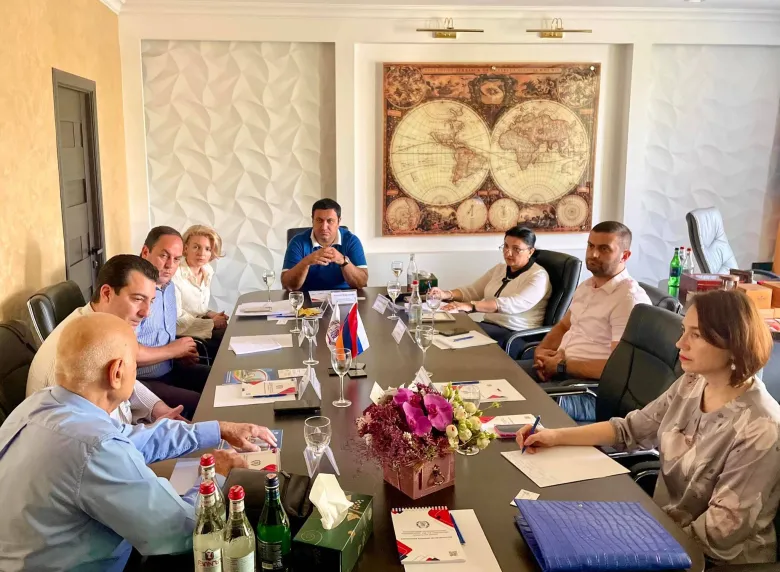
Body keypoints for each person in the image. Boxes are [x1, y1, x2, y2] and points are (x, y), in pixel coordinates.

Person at [517, 289, 780, 566]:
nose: (680, 343)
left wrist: (624, 541)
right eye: (684, 331)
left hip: (711, 560)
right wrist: (554, 436)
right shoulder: (693, 382)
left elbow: (719, 533)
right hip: (664, 533)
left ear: (734, 344)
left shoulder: (761, 428)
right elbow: (629, 430)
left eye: (696, 335)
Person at [0, 313, 277, 571]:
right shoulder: (94, 446)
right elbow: (183, 531)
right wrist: (216, 475)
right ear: (117, 372)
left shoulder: (40, 405)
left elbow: (135, 438)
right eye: (135, 362)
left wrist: (217, 429)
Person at [26, 254, 194, 422]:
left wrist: (157, 409)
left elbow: (124, 378)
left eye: (151, 301)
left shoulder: (105, 328)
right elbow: (94, 432)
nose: (146, 313)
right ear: (106, 293)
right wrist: (156, 432)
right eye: (138, 299)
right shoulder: (79, 354)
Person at [517, 221, 651, 422]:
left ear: (625, 256)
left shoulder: (628, 299)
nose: (593, 254)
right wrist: (541, 352)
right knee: (502, 378)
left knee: (519, 402)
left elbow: (618, 369)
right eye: (591, 246)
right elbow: (564, 326)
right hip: (562, 371)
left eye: (604, 249)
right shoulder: (587, 286)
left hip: (592, 392)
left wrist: (562, 366)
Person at [430, 226, 551, 350]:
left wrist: (471, 306)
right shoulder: (500, 269)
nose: (508, 253)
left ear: (530, 251)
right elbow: (473, 291)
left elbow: (511, 304)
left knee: (453, 345)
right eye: (506, 246)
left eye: (516, 249)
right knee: (441, 333)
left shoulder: (538, 276)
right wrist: (446, 294)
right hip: (490, 327)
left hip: (515, 335)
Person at [138, 226, 211, 402]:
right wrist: (172, 351)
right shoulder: (134, 293)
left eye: (177, 259)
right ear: (145, 252)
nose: (170, 265)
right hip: (141, 380)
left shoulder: (170, 287)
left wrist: (181, 354)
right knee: (200, 403)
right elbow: (125, 354)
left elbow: (164, 337)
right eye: (164, 256)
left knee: (223, 379)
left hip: (170, 367)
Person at [282, 198, 368, 291]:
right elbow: (288, 285)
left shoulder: (351, 241)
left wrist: (343, 261)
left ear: (339, 221)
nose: (324, 227)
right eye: (319, 220)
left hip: (343, 295)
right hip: (306, 296)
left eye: (330, 221)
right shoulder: (297, 242)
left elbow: (361, 283)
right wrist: (306, 262)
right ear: (312, 221)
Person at [173, 224, 228, 355]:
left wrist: (212, 314)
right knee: (227, 342)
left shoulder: (207, 270)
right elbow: (176, 319)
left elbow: (196, 308)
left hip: (200, 324)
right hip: (184, 334)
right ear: (186, 248)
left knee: (232, 331)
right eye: (196, 247)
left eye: (207, 249)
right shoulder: (175, 275)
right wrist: (212, 323)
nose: (202, 253)